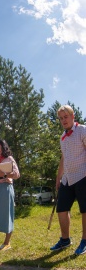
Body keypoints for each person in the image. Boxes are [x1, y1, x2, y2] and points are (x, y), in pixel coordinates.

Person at [50, 105, 86, 255]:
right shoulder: (62, 137)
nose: (63, 120)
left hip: (83, 175)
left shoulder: (82, 130)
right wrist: (59, 177)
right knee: (62, 209)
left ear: (73, 117)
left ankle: (84, 240)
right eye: (61, 118)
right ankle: (65, 240)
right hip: (67, 179)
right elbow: (64, 158)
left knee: (85, 209)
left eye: (66, 117)